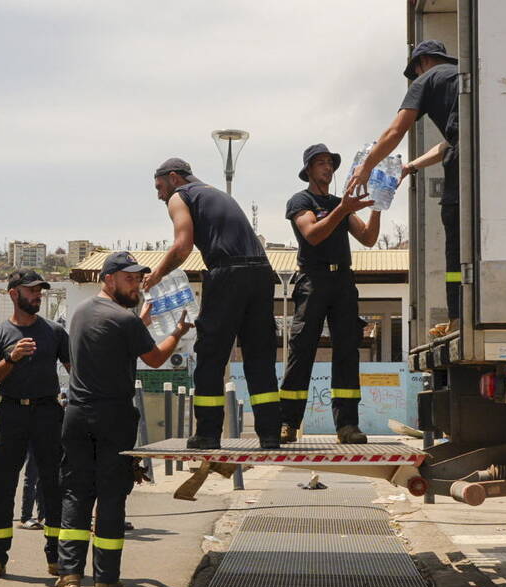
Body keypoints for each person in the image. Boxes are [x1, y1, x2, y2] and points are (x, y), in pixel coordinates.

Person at [56, 252, 192, 587]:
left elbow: (111, 340)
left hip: (76, 414)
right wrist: (176, 332)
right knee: (112, 495)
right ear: (109, 278)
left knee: (76, 491)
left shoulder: (81, 314)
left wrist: (139, 323)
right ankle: (106, 579)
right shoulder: (125, 320)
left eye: (137, 279)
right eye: (129, 279)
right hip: (113, 416)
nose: (136, 285)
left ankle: (70, 573)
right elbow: (156, 358)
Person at [145, 158, 281, 449]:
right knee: (259, 357)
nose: (159, 195)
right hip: (261, 273)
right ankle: (270, 434)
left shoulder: (181, 196)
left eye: (159, 187)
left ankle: (207, 433)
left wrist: (156, 275)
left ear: (173, 178)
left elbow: (182, 246)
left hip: (228, 274)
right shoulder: (215, 193)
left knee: (210, 356)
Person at [348, 39, 461, 327]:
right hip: (483, 168)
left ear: (421, 64)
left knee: (455, 249)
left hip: (462, 171)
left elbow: (396, 130)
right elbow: (448, 143)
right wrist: (409, 167)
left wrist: (367, 166)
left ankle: (459, 317)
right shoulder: (463, 78)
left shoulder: (426, 80)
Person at [279, 144, 379, 444]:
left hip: (343, 280)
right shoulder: (301, 200)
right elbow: (313, 233)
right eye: (320, 163)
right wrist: (344, 208)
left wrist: (378, 207)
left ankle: (347, 425)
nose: (327, 168)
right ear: (308, 170)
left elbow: (369, 238)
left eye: (330, 163)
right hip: (314, 279)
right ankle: (287, 422)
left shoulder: (340, 203)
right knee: (302, 349)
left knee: (347, 350)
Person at [0, 269, 71, 582]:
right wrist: (12, 358)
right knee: (1, 487)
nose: (37, 296)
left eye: (40, 291)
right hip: (11, 414)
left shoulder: (55, 332)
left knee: (54, 485)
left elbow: (75, 369)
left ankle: (57, 557)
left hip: (47, 413)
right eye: (31, 291)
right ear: (14, 294)